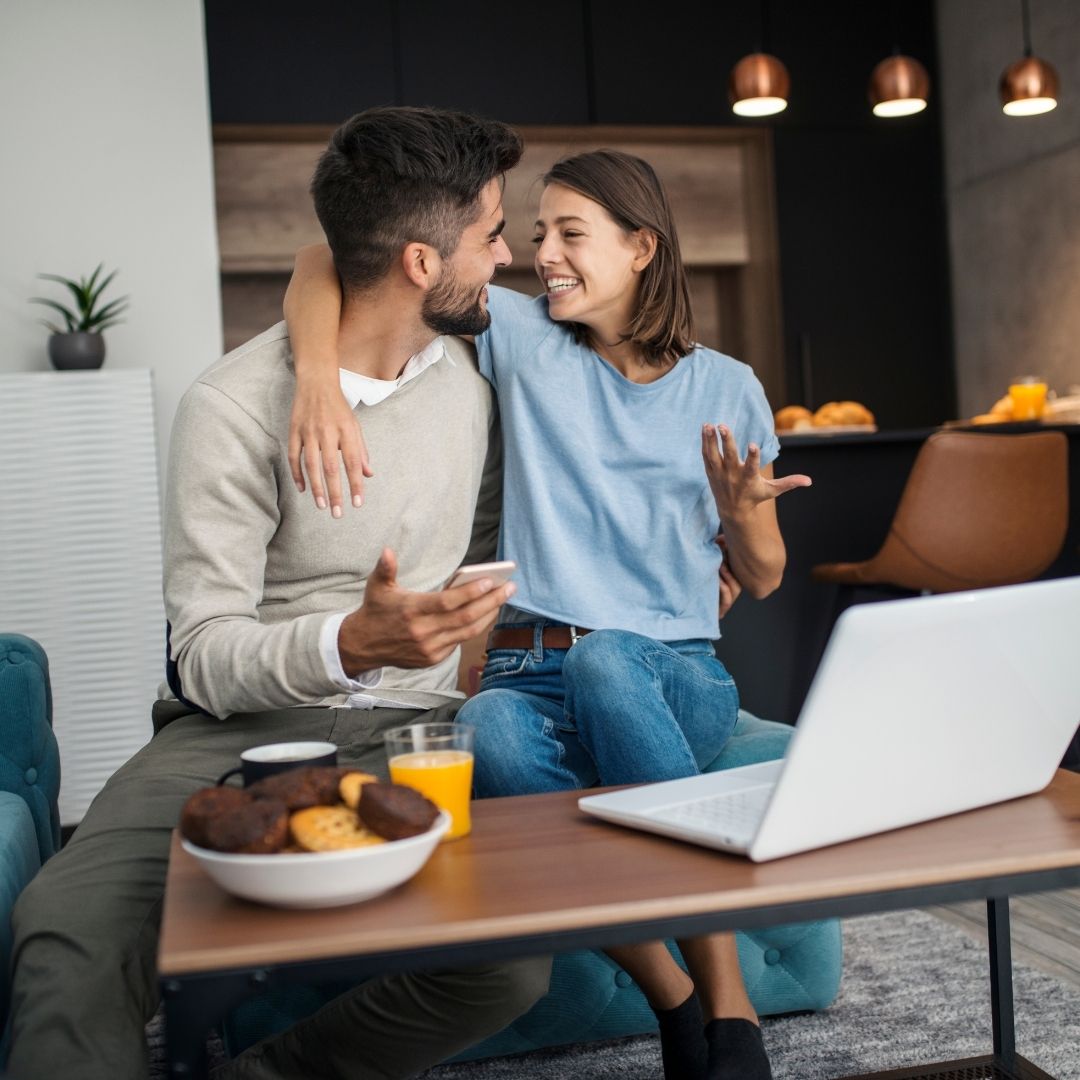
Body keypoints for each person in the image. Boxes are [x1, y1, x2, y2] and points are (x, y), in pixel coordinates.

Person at [5, 106, 554, 1080]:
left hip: (414, 728)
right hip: (231, 735)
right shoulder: (230, 405)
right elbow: (202, 653)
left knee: (507, 961)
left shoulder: (471, 385)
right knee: (64, 927)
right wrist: (349, 643)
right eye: (492, 234)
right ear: (420, 262)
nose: (508, 258)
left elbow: (473, 562)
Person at [283, 147, 811, 1080]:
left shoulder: (727, 386)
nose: (544, 255)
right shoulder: (525, 337)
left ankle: (730, 1005)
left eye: (571, 233)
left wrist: (742, 516)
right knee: (485, 724)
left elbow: (764, 577)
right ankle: (676, 1000)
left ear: (642, 247)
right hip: (528, 671)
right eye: (537, 234)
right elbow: (326, 259)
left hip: (671, 672)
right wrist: (317, 382)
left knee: (607, 659)